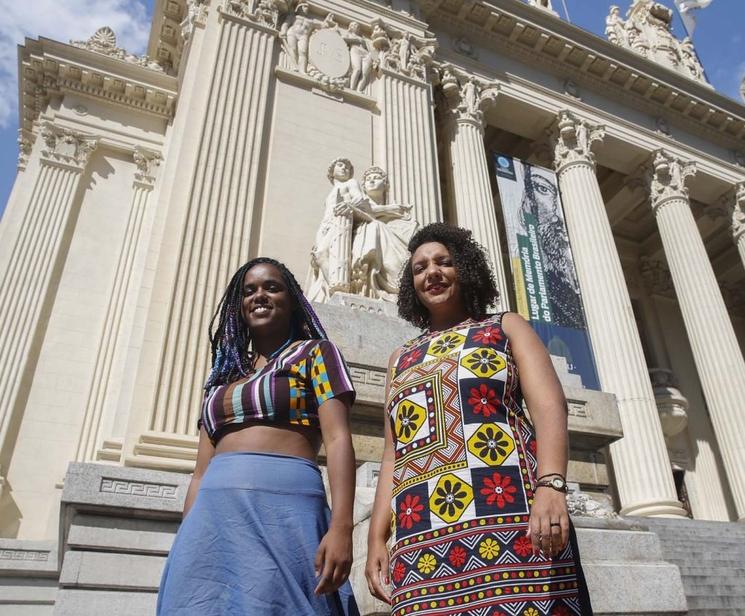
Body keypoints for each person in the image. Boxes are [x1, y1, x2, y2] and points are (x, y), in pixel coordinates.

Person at [365, 224, 593, 615]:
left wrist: (552, 486)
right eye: (419, 268)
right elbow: (393, 454)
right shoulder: (400, 357)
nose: (431, 273)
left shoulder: (504, 327)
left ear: (465, 268)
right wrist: (375, 539)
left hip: (510, 514)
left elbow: (549, 405)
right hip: (420, 533)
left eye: (443, 262)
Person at [158, 257, 360, 616]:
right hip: (212, 520)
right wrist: (186, 539)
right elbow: (200, 473)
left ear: (292, 299)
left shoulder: (316, 355)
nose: (260, 295)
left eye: (272, 287)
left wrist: (342, 527)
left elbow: (338, 439)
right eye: (249, 291)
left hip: (287, 512)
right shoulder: (220, 380)